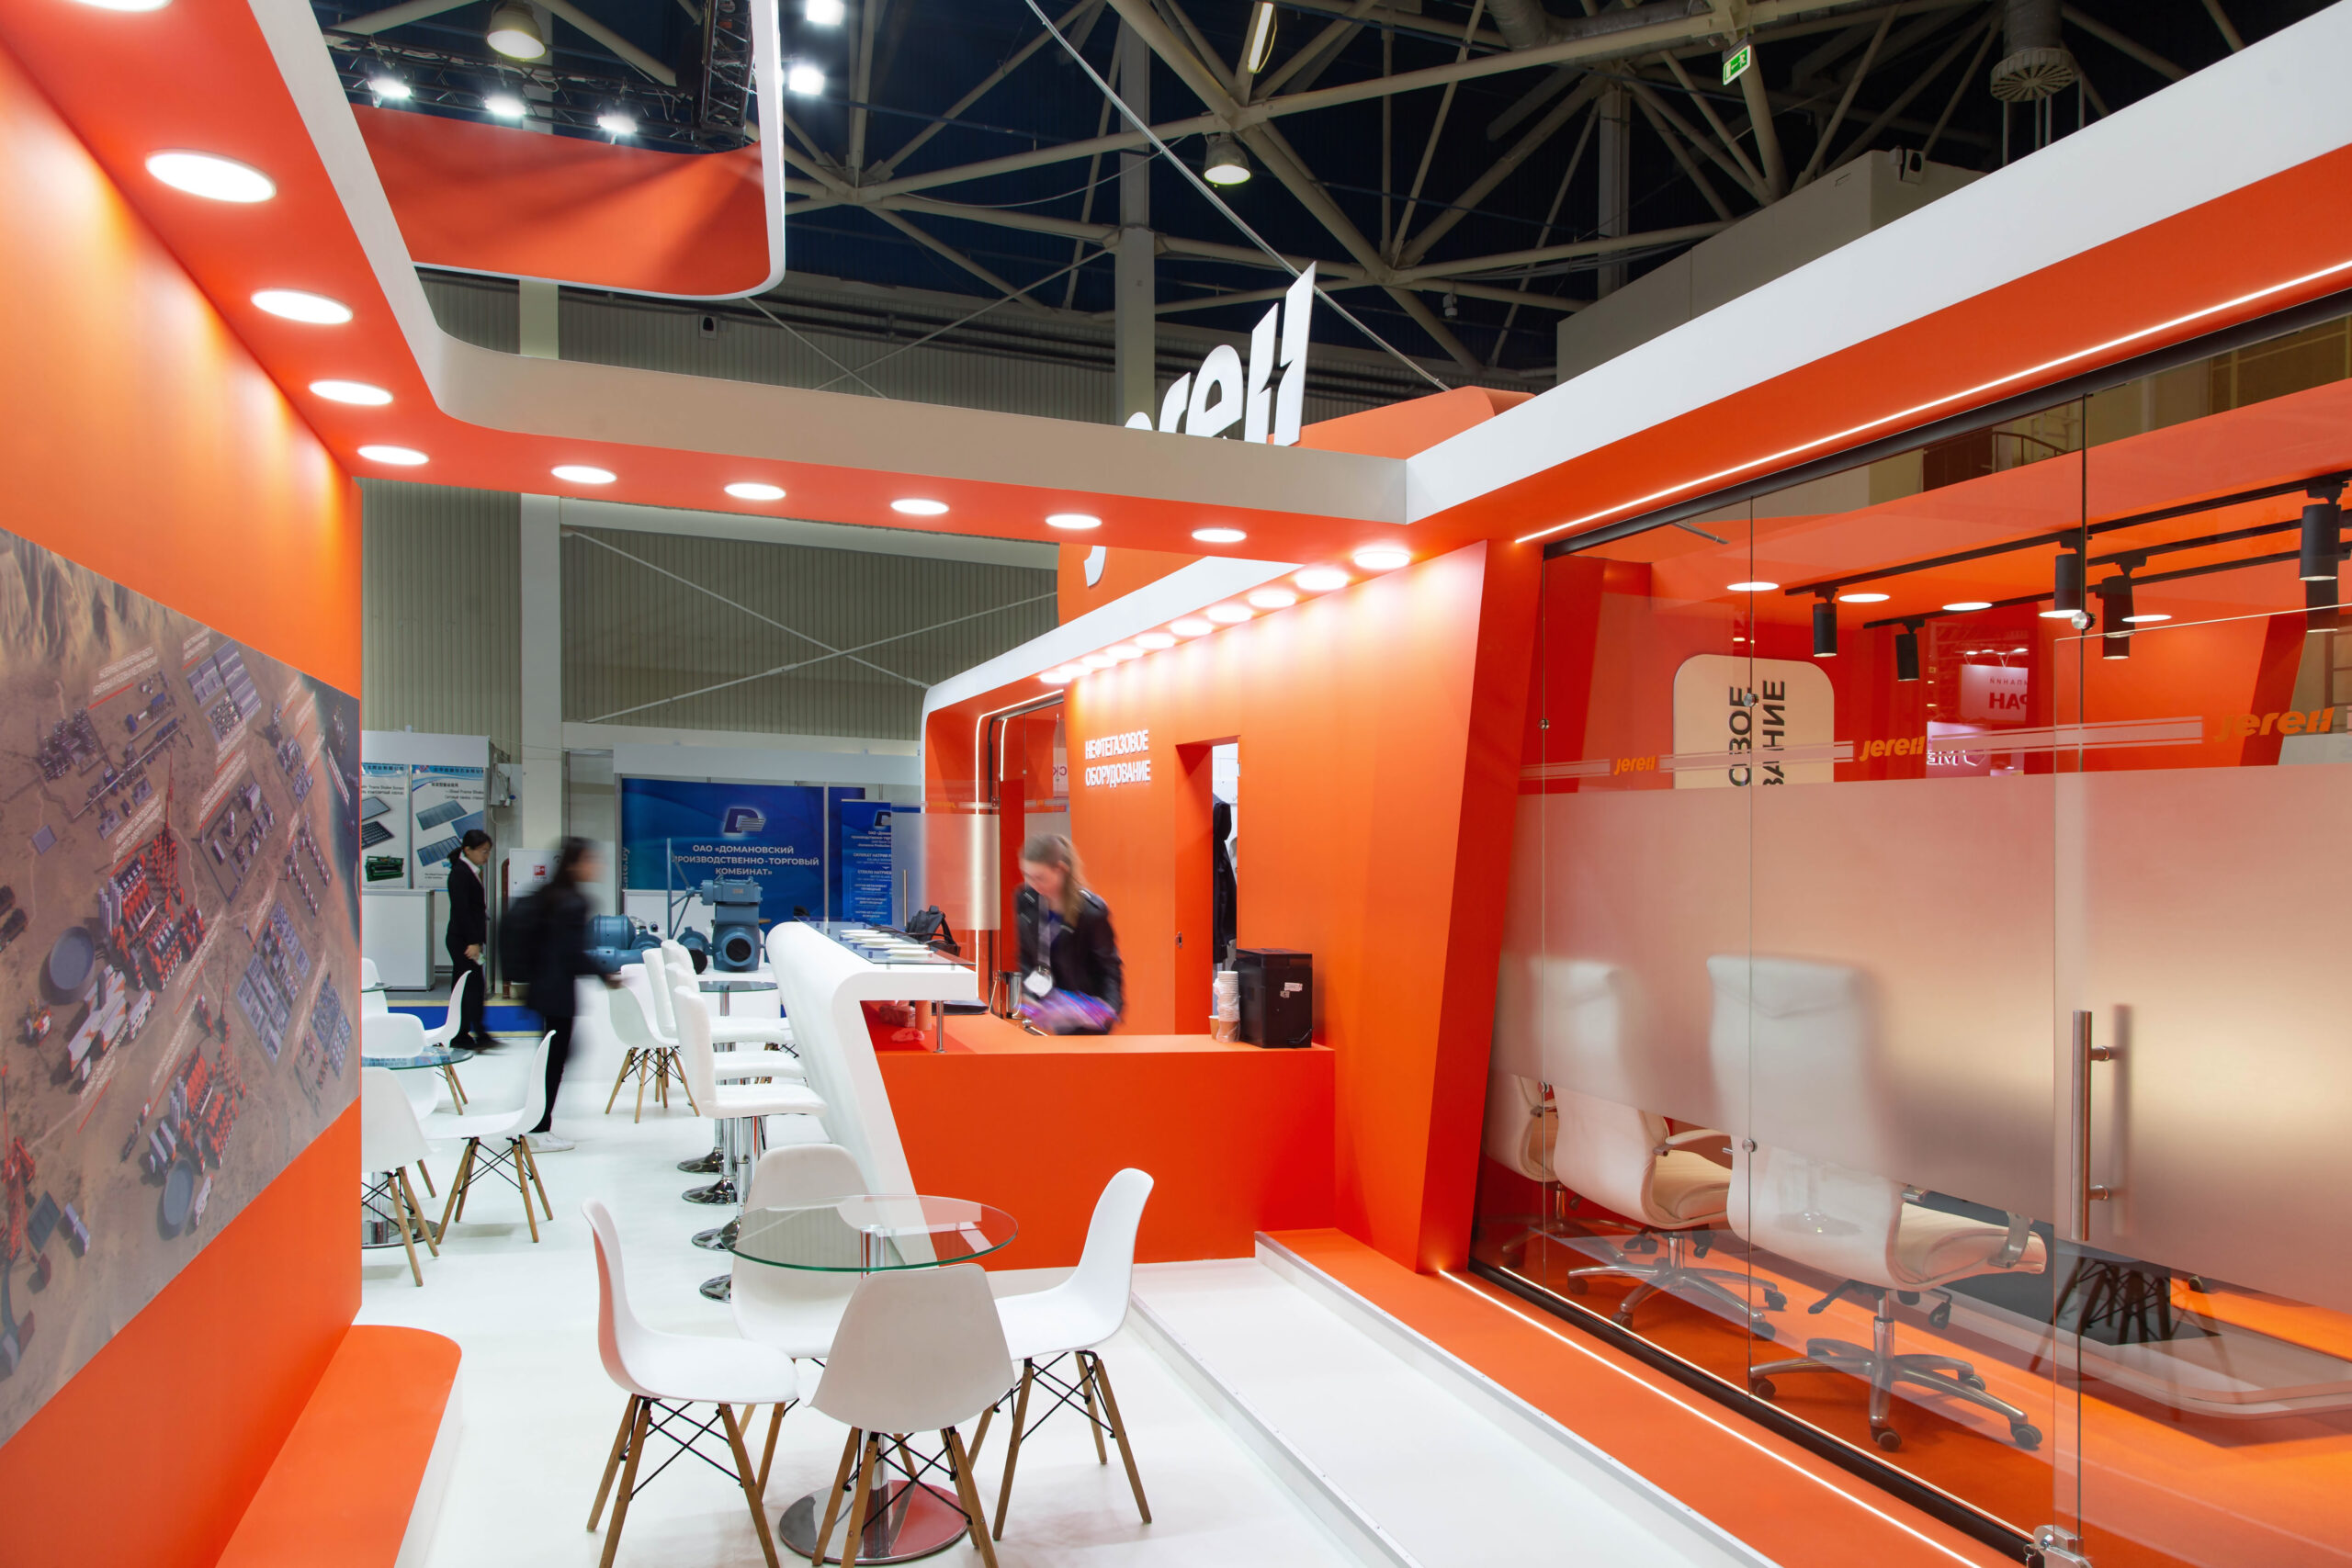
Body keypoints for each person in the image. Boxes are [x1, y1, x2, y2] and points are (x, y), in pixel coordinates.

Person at [506, 839, 613, 1151]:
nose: (597, 866)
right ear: (574, 864)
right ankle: (538, 1129)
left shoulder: (550, 895)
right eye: (591, 860)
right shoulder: (573, 902)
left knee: (552, 1059)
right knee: (554, 1063)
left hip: (542, 989)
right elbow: (572, 953)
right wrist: (606, 974)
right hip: (558, 993)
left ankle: (532, 1119)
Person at [1013, 834, 1123, 1034]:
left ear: (1060, 870)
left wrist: (1108, 1009)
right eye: (1027, 875)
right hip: (1052, 1014)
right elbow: (1027, 956)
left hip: (1087, 1018)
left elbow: (1110, 969)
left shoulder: (1090, 912)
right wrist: (1030, 993)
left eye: (1040, 877)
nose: (1033, 884)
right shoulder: (1026, 901)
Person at [443, 829, 492, 1048]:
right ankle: (461, 1034)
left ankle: (477, 1032)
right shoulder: (459, 874)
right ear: (468, 850)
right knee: (466, 989)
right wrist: (473, 942)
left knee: (473, 988)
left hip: (469, 940)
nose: (486, 856)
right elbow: (462, 911)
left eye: (488, 852)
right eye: (483, 851)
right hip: (463, 941)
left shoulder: (470, 871)